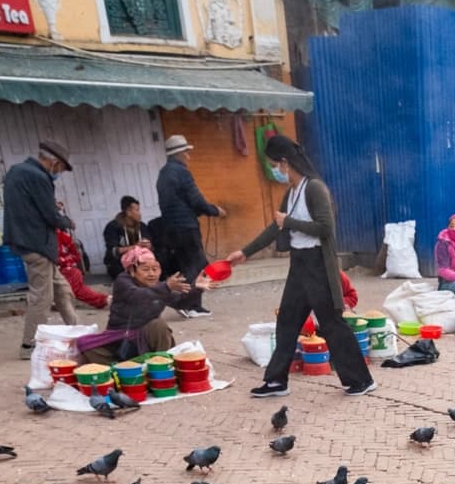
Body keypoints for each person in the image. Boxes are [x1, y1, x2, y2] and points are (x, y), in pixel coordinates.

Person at [227, 133, 374, 399]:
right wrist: (244, 252)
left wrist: (289, 223)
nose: (275, 170)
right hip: (299, 264)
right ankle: (275, 381)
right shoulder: (291, 192)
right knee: (287, 322)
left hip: (318, 263)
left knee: (331, 324)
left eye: (275, 165)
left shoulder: (314, 188)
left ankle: (360, 380)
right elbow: (276, 226)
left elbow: (325, 228)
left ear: (285, 162)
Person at [2, 138, 78, 354]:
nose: (60, 172)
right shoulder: (39, 177)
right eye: (61, 168)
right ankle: (29, 345)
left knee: (62, 291)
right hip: (37, 244)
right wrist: (66, 221)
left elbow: (27, 204)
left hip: (26, 241)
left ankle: (78, 331)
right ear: (54, 163)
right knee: (42, 299)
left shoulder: (17, 170)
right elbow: (50, 215)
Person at [73, 245, 191, 364]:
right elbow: (137, 296)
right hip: (120, 336)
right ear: (132, 271)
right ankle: (122, 368)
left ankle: (162, 366)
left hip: (147, 337)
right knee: (85, 344)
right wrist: (166, 287)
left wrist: (198, 288)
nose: (151, 274)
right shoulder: (123, 281)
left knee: (158, 325)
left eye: (155, 269)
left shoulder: (158, 286)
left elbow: (181, 302)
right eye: (145, 269)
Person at [155, 134, 226, 316]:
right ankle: (190, 305)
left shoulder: (163, 173)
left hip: (171, 228)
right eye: (186, 152)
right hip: (186, 227)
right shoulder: (181, 172)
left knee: (186, 266)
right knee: (199, 266)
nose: (188, 156)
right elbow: (195, 200)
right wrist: (214, 210)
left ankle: (187, 303)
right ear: (178, 154)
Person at [56, 229, 108, 310]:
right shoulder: (40, 237)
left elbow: (76, 256)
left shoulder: (63, 236)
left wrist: (63, 261)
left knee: (76, 283)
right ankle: (103, 300)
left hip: (66, 269)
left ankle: (103, 300)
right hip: (51, 270)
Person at [103, 196, 149, 280]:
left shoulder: (142, 226)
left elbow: (150, 245)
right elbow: (113, 251)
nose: (140, 213)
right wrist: (136, 246)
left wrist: (148, 245)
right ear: (128, 212)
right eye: (137, 210)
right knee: (120, 271)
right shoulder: (113, 227)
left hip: (140, 261)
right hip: (119, 263)